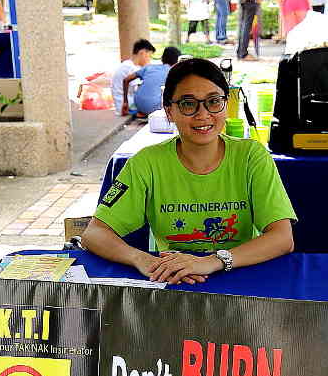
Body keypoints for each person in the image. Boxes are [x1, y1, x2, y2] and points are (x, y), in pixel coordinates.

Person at [82, 58, 296, 284]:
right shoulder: (146, 163)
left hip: (239, 275)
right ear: (169, 112)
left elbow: (283, 238)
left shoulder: (252, 156)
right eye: (187, 104)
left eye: (214, 101)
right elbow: (94, 233)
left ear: (226, 104)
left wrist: (213, 261)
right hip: (174, 279)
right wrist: (141, 258)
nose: (203, 114)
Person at [121, 45, 181, 119]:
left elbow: (126, 80)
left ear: (162, 58)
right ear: (177, 61)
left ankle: (143, 113)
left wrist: (125, 102)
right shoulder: (173, 72)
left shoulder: (149, 67)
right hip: (155, 107)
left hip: (138, 104)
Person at [111, 39, 155, 117]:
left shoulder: (129, 65)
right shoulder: (130, 68)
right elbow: (141, 90)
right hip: (125, 105)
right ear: (142, 53)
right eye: (149, 56)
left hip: (126, 101)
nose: (149, 60)